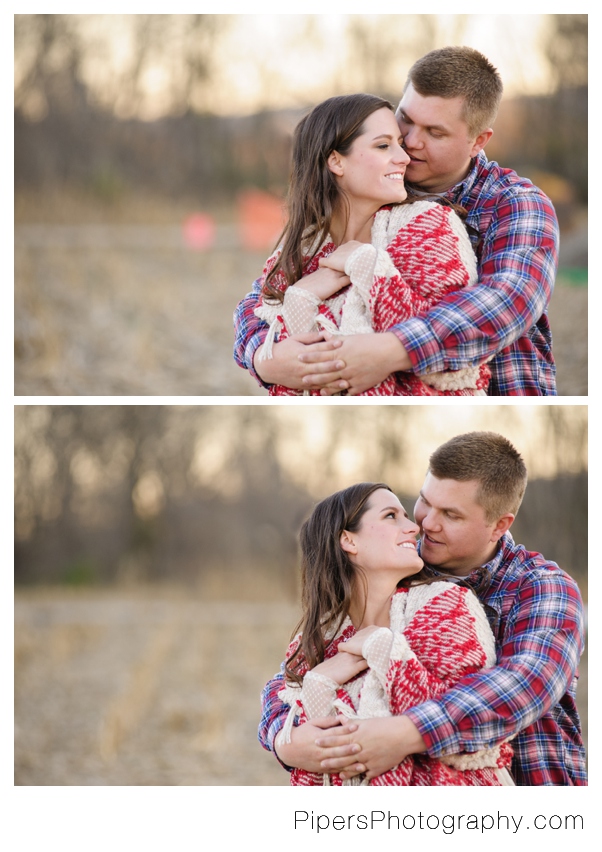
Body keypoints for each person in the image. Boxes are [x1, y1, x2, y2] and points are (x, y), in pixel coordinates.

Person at [259, 432, 586, 786]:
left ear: (499, 525)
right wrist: (284, 740)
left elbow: (525, 683)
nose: (424, 523)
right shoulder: (401, 569)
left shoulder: (539, 586)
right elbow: (290, 677)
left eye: (450, 514)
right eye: (425, 501)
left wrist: (401, 734)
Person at [234, 47, 558, 396]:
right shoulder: (372, 188)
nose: (411, 144)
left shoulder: (514, 202)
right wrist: (263, 358)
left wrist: (389, 351)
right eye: (406, 119)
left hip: (499, 394)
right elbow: (262, 296)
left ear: (478, 141)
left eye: (435, 132)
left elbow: (507, 301)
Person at [275, 481, 514, 785]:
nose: (414, 528)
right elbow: (317, 772)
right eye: (391, 516)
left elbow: (473, 735)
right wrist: (318, 685)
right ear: (348, 540)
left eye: (405, 514)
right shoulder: (317, 641)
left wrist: (385, 651)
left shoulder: (443, 605)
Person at [251, 93, 489, 396]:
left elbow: (452, 360)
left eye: (399, 144)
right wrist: (301, 296)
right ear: (336, 161)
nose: (404, 158)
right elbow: (296, 379)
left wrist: (369, 267)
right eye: (383, 145)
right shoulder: (301, 251)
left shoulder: (427, 227)